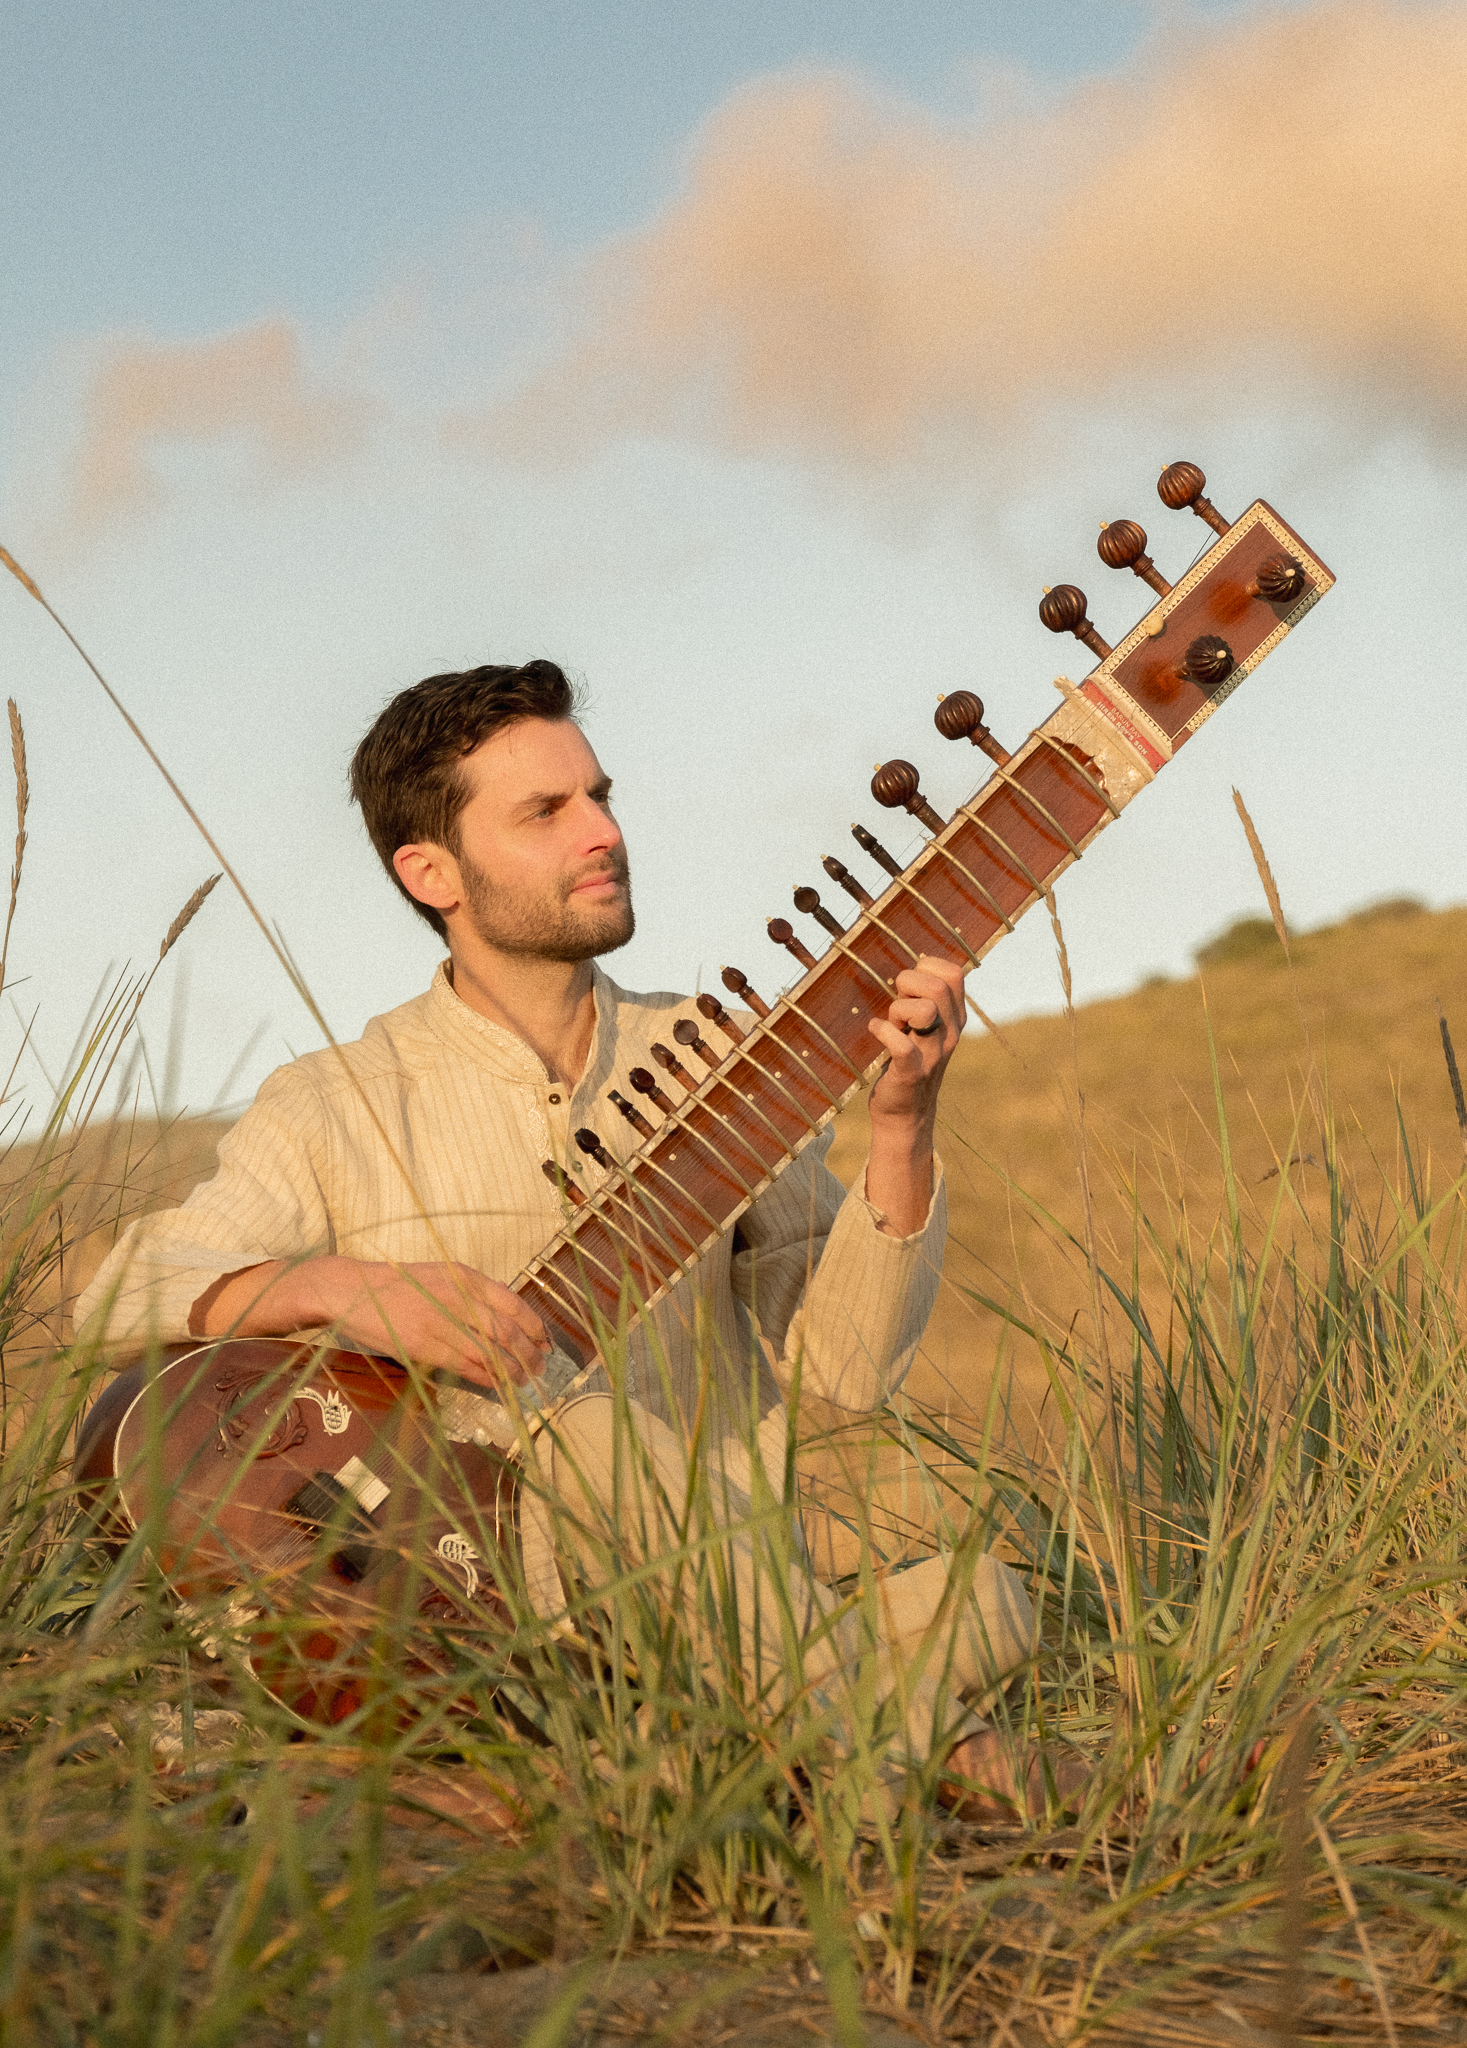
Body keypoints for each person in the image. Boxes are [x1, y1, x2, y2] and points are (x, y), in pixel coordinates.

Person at [77, 659, 1055, 1818]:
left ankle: (648, 1769)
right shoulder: (335, 1100)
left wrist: (902, 1124)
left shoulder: (721, 1060)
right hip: (470, 1600)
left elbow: (844, 1368)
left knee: (990, 1593)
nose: (603, 832)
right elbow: (118, 1293)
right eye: (546, 812)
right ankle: (916, 1782)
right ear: (430, 869)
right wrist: (339, 1285)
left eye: (599, 794)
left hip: (726, 1589)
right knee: (591, 1431)